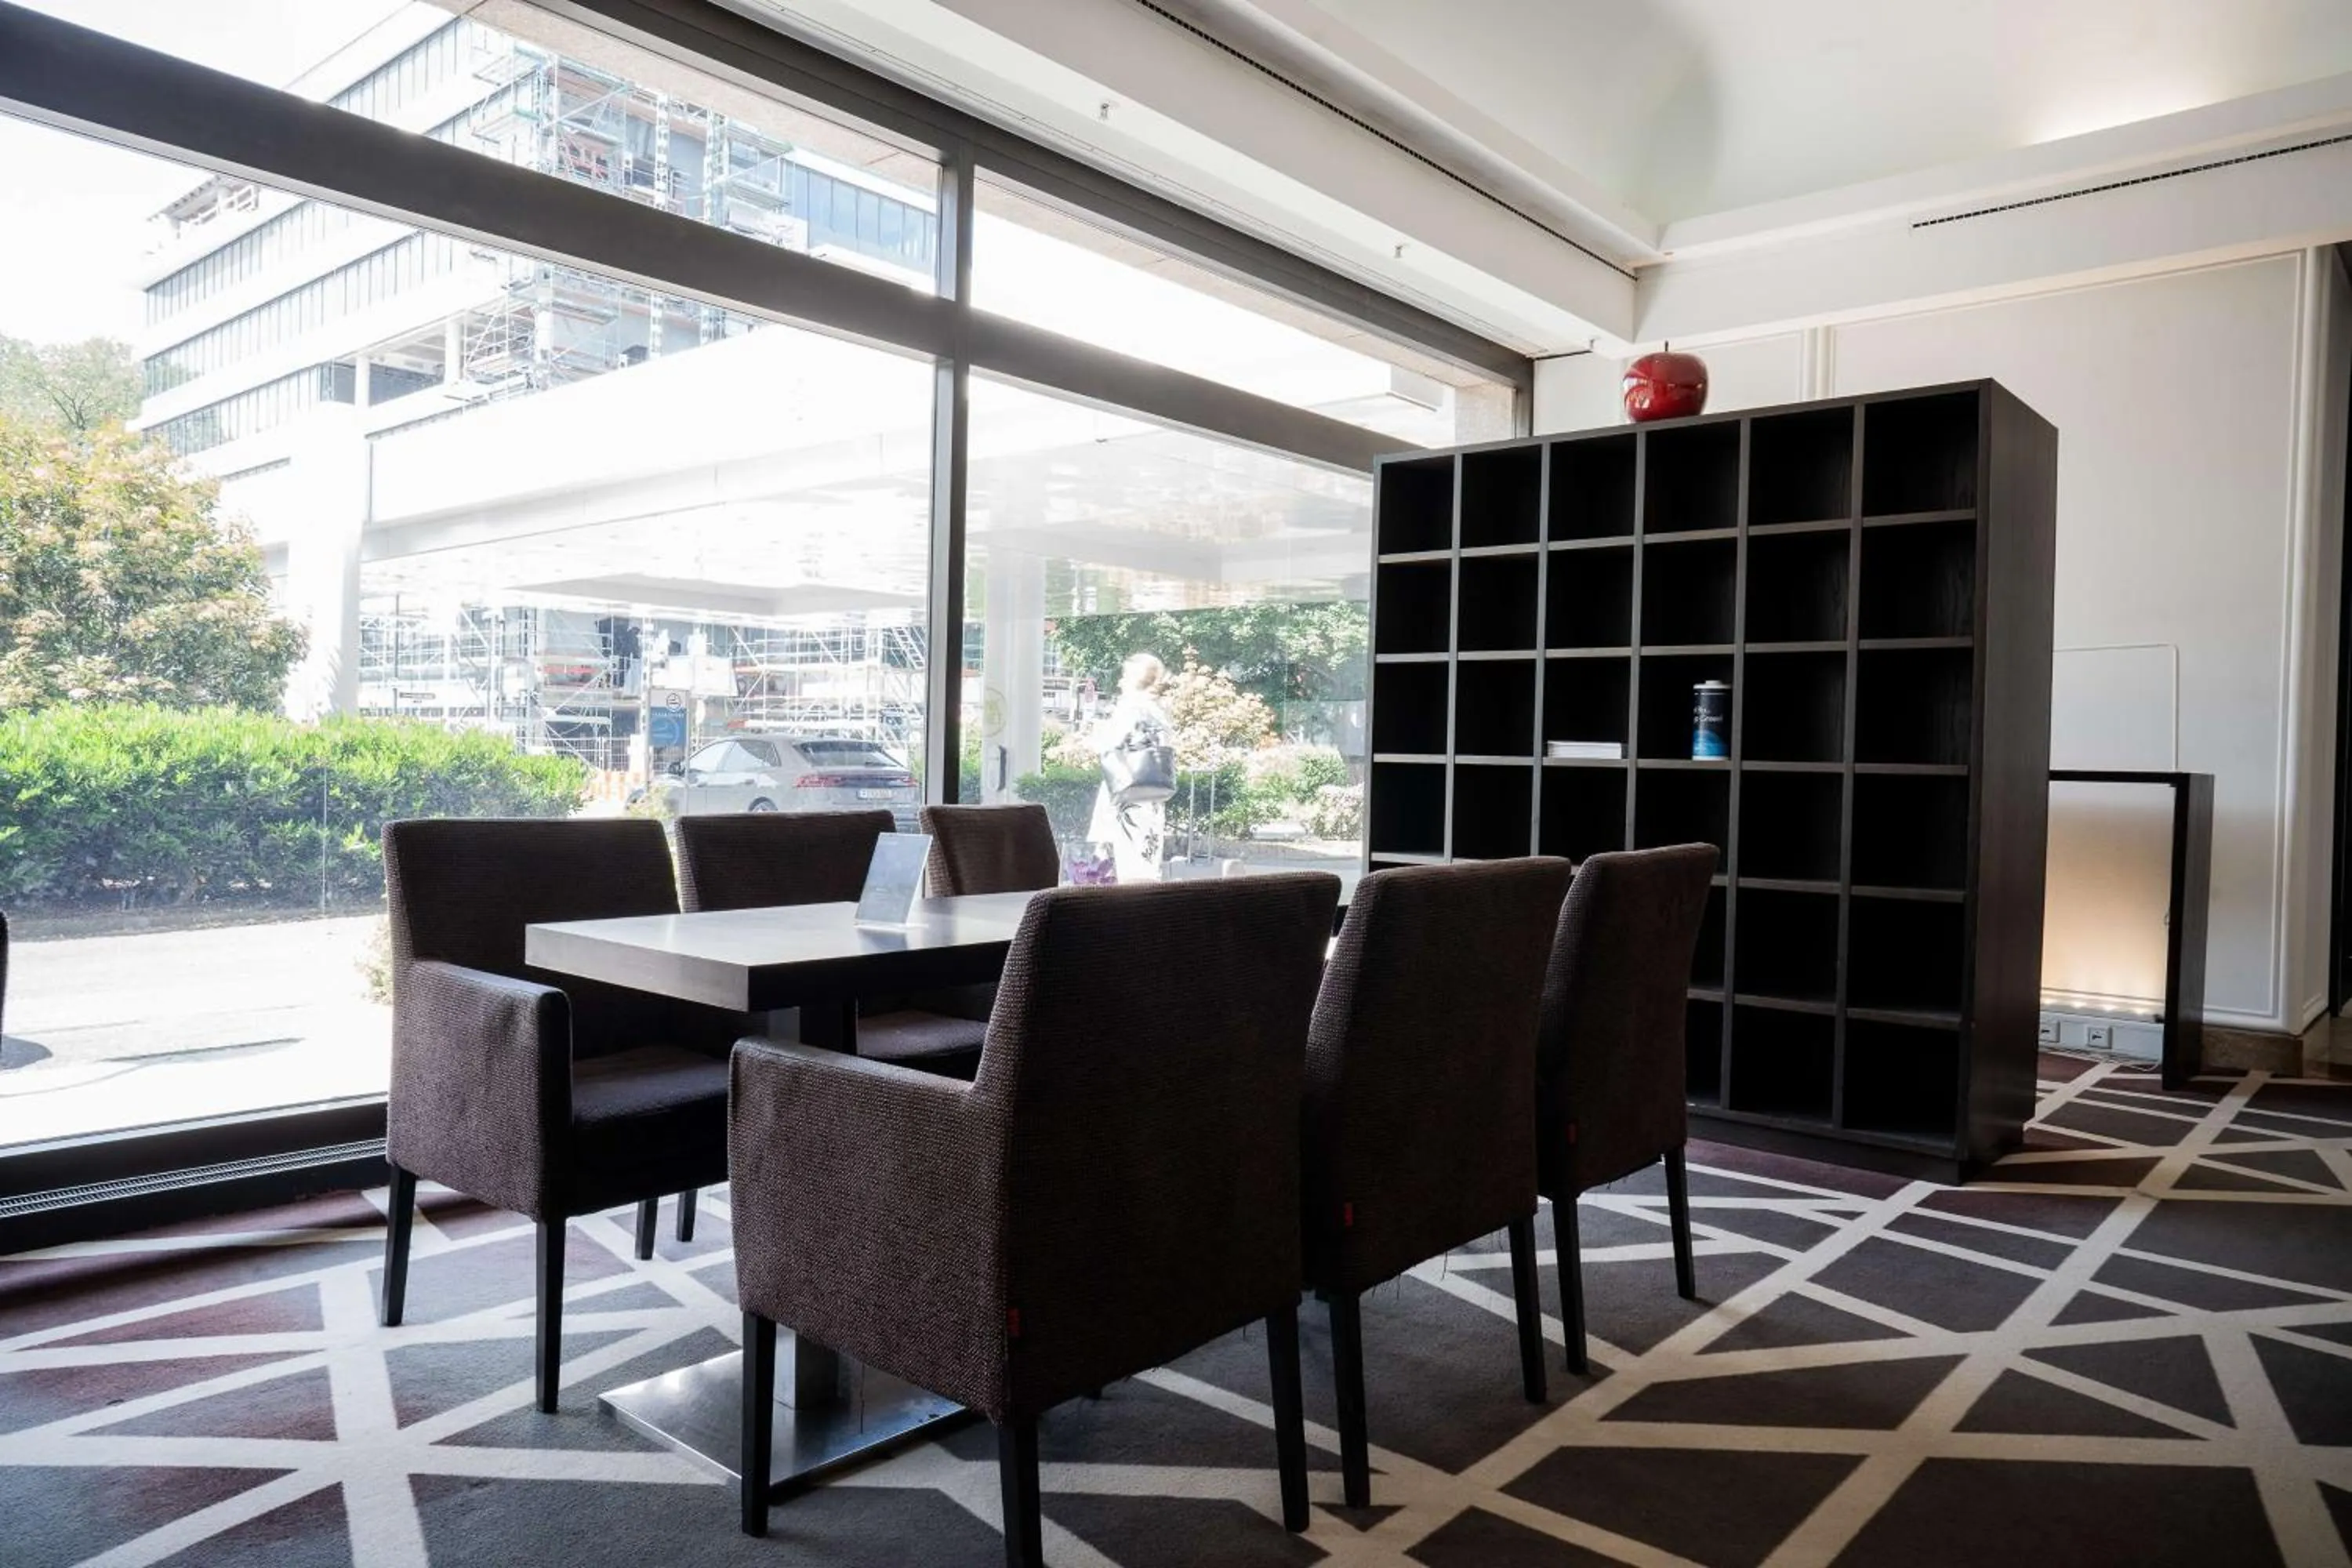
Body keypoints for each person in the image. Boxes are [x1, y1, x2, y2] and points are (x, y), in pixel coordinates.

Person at [1087, 652, 1175, 883]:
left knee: (1119, 865)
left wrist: (1097, 735)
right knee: (1146, 862)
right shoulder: (1159, 713)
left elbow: (1110, 745)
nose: (1120, 681)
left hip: (1125, 792)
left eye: (1125, 676)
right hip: (1151, 798)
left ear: (1135, 679)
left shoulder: (1130, 709)